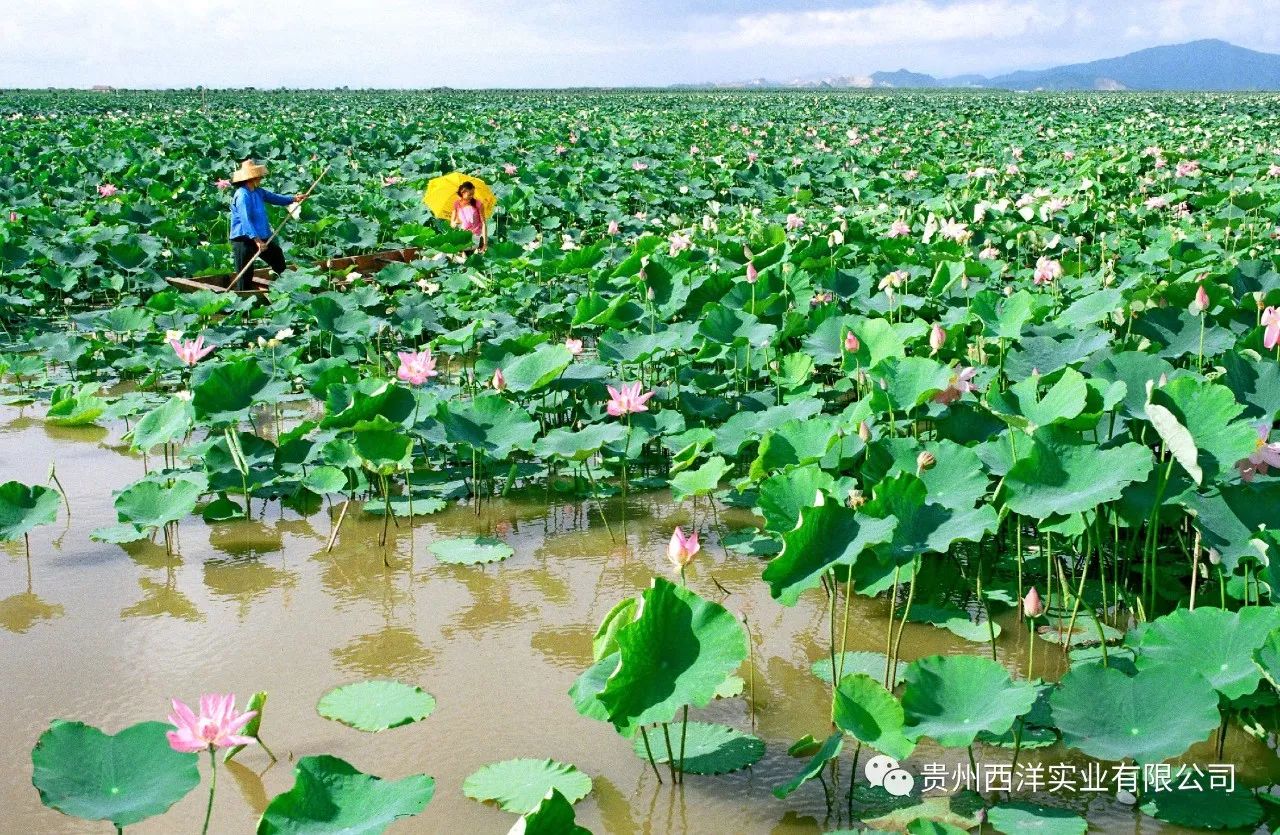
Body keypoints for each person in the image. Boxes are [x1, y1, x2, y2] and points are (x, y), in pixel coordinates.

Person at [228, 159, 305, 289]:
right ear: (251, 178)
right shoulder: (242, 195)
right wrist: (257, 240)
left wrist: (293, 199)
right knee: (245, 274)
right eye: (259, 176)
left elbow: (274, 198)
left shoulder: (258, 191)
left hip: (261, 237)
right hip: (244, 239)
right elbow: (245, 220)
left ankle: (285, 285)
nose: (261, 178)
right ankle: (242, 301)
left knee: (277, 255)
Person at [450, 181, 488, 253]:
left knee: (452, 249)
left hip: (475, 237)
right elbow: (452, 223)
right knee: (447, 246)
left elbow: (483, 224)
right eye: (469, 194)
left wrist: (485, 243)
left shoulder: (478, 204)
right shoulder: (456, 204)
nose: (471, 196)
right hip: (462, 235)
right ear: (462, 193)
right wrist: (454, 224)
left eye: (473, 194)